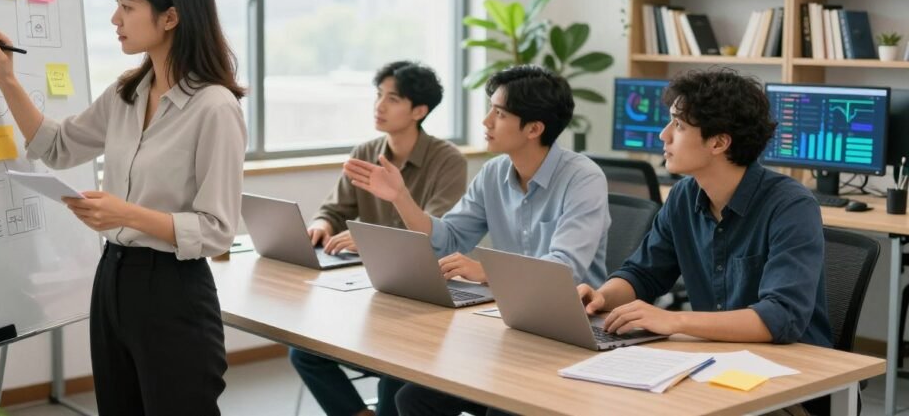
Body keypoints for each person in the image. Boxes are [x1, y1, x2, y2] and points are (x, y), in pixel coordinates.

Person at [0, 0, 245, 416]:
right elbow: (58, 147)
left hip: (173, 292)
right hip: (113, 281)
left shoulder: (215, 108)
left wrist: (125, 213)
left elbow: (217, 229)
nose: (114, 19)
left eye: (127, 6)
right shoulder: (126, 92)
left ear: (170, 18)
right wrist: (7, 82)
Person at [344, 65, 611, 416]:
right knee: (412, 398)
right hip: (510, 322)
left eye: (499, 113)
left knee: (498, 408)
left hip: (569, 330)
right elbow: (448, 239)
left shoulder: (583, 179)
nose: (486, 122)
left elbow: (563, 268)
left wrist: (486, 269)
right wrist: (401, 198)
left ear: (534, 128)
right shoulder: (495, 173)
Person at [577, 69, 830, 416]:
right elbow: (643, 274)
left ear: (718, 142)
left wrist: (675, 321)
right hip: (714, 366)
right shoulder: (684, 196)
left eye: (678, 126)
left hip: (789, 384)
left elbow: (780, 317)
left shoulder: (790, 206)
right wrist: (601, 297)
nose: (663, 135)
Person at [292, 60, 468, 416]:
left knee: (395, 374)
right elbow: (333, 209)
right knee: (303, 352)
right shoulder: (366, 153)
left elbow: (436, 232)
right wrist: (323, 225)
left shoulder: (447, 160)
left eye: (392, 99)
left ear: (419, 110)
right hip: (370, 288)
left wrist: (372, 240)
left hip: (424, 296)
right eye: (378, 95)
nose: (379, 106)